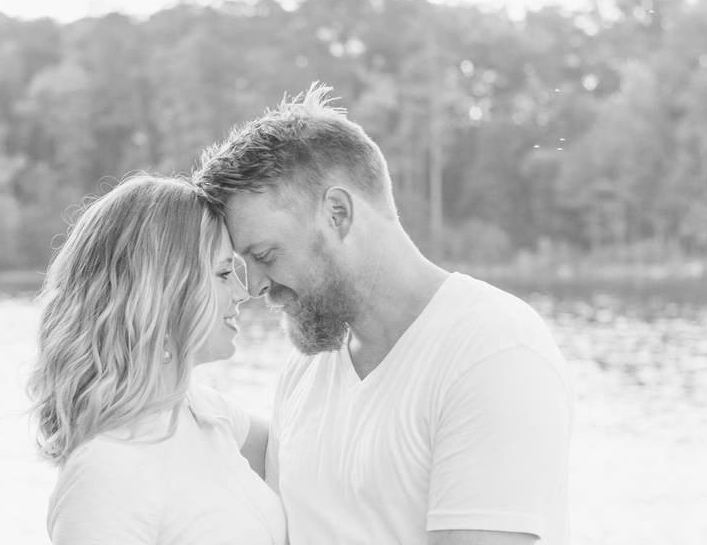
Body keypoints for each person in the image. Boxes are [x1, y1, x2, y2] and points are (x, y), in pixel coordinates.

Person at [193, 84, 573, 545]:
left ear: (338, 213)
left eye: (266, 255)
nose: (254, 288)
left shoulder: (494, 351)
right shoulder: (305, 371)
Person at [27, 174, 286, 545]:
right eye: (224, 273)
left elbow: (301, 455)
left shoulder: (201, 412)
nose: (242, 292)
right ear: (165, 290)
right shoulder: (105, 473)